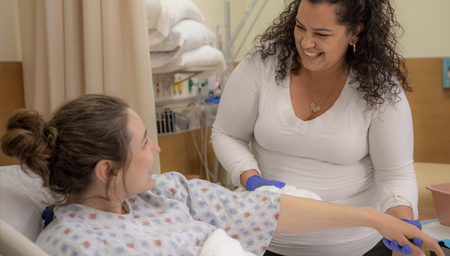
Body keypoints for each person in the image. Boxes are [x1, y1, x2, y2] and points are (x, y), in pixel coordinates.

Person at [1, 94, 443, 256]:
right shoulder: (74, 246)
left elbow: (261, 210)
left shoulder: (166, 193)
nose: (156, 149)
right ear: (107, 170)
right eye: (143, 144)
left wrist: (374, 218)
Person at [212, 0, 421, 256]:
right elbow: (226, 134)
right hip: (264, 240)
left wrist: (401, 222)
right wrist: (249, 177)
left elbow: (395, 176)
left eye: (322, 34)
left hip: (355, 247)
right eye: (300, 26)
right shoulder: (263, 64)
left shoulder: (378, 88)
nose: (306, 42)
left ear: (354, 33)